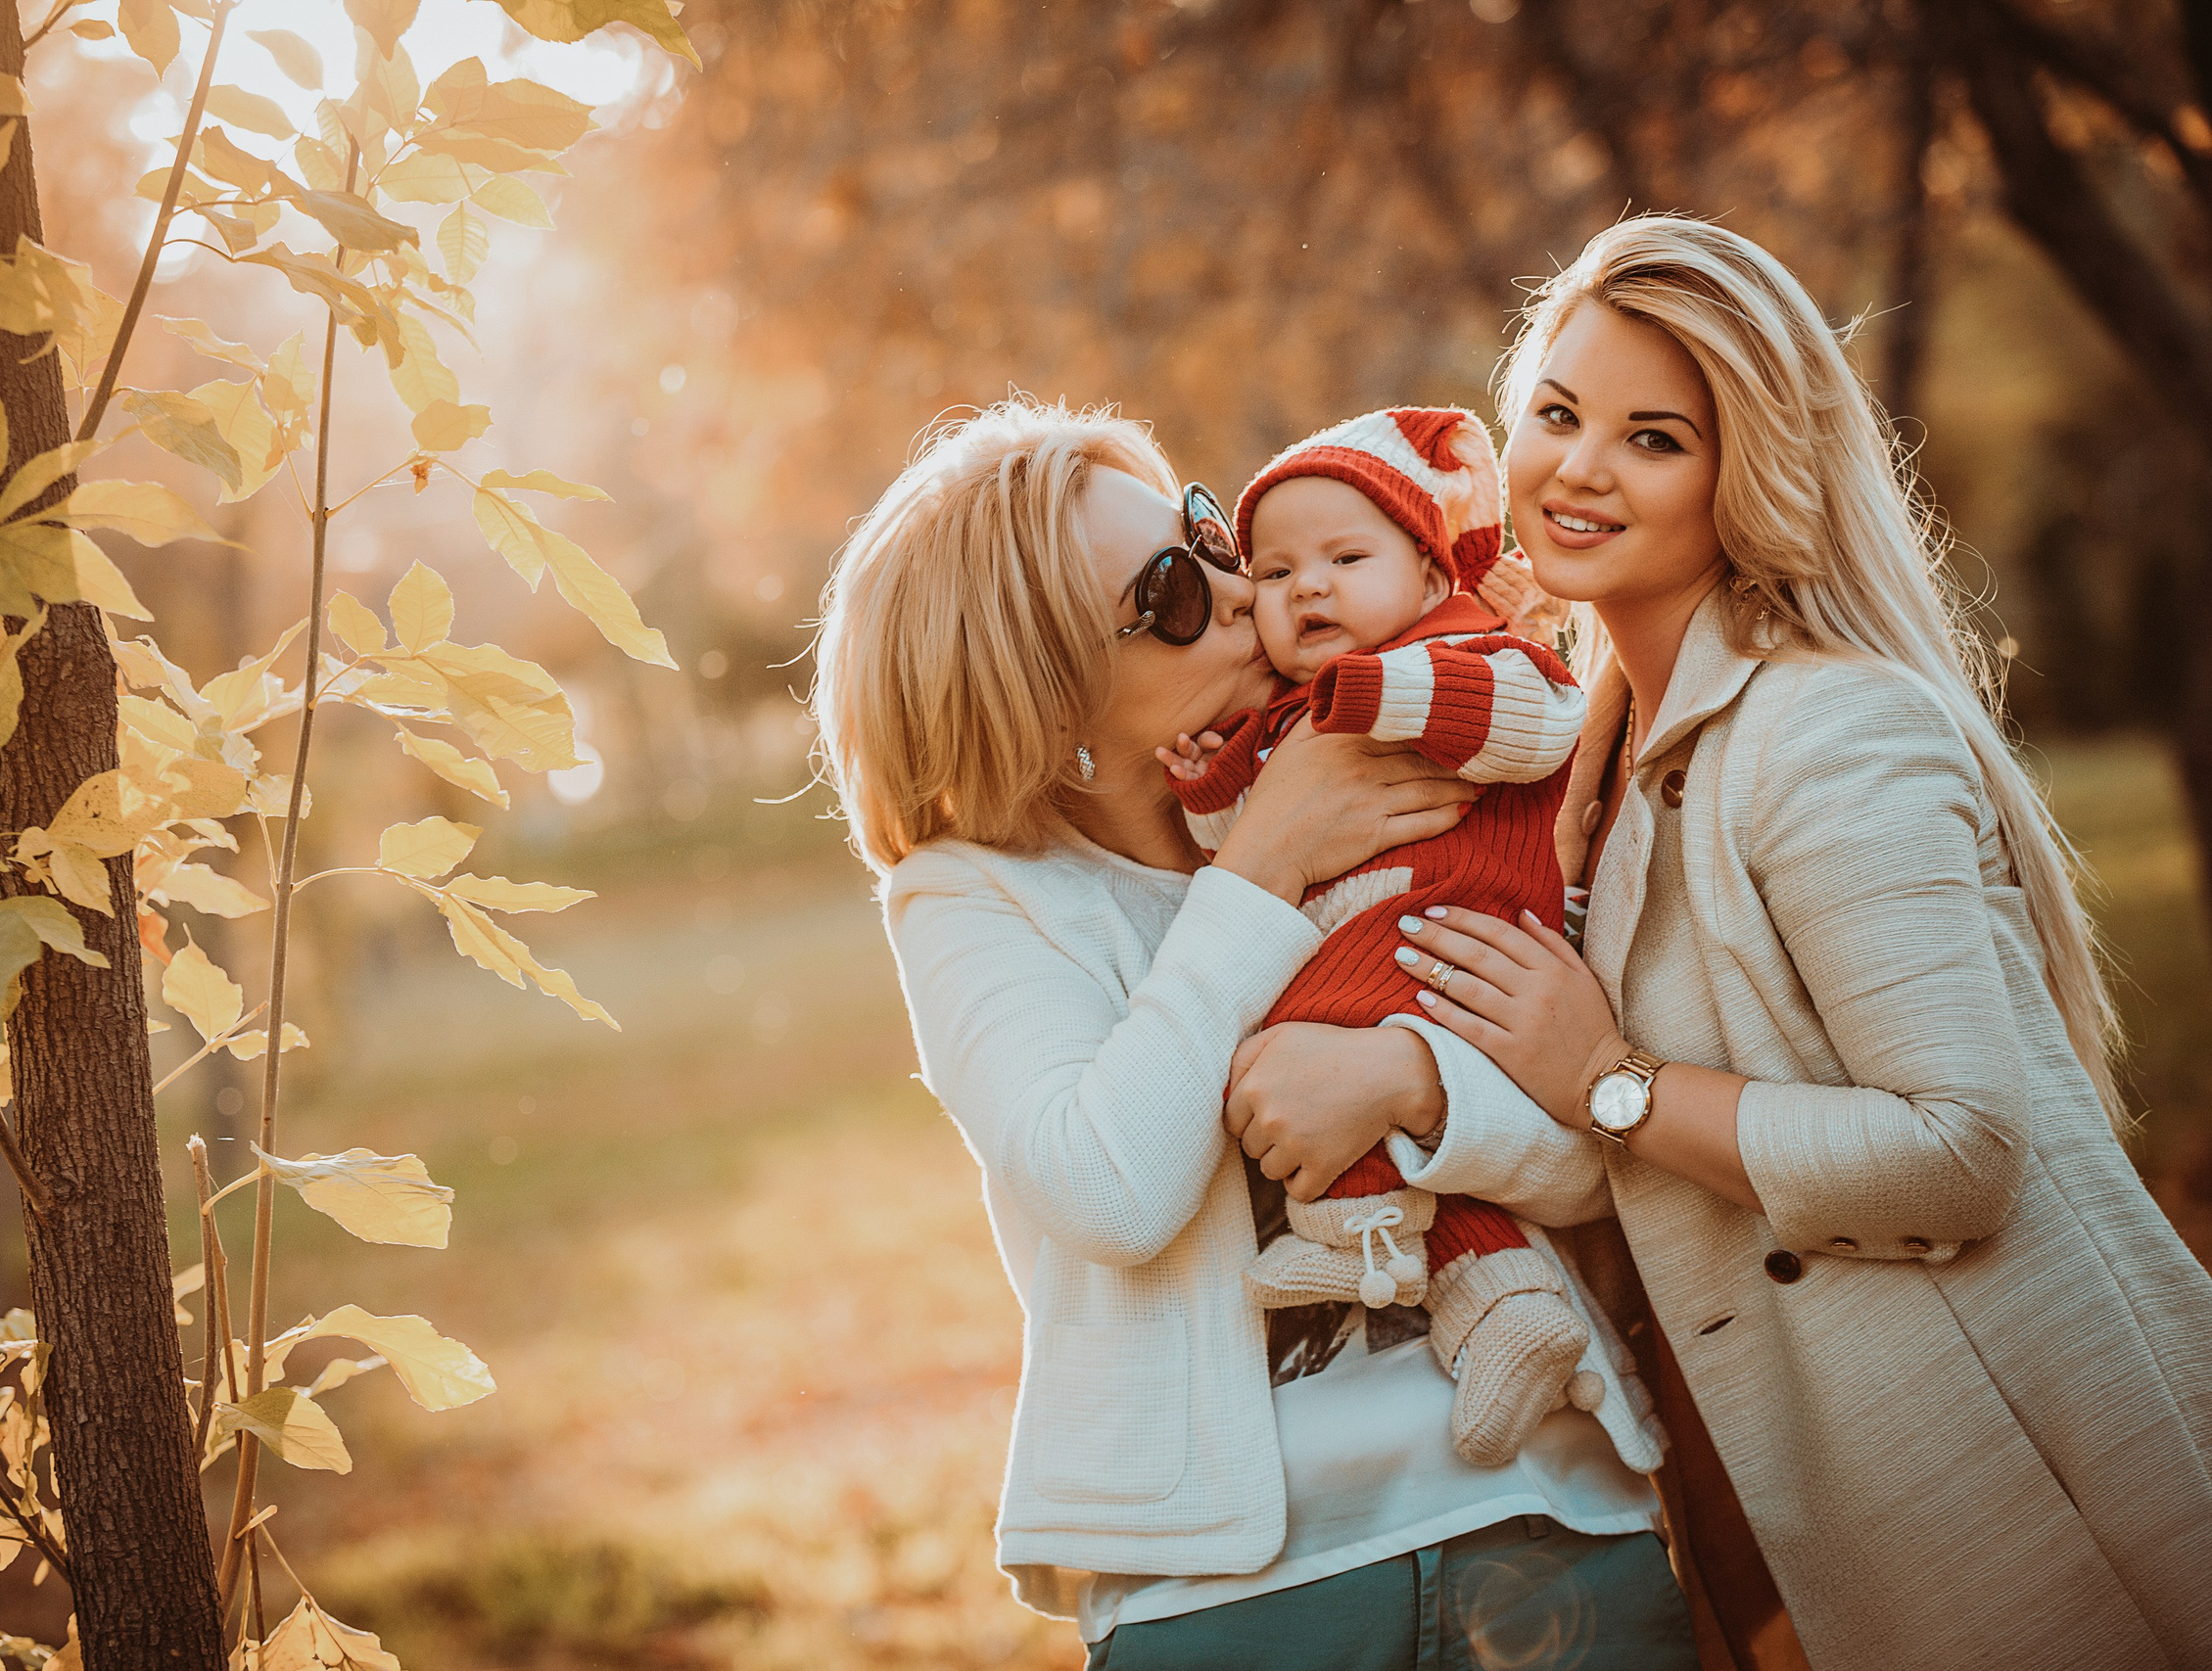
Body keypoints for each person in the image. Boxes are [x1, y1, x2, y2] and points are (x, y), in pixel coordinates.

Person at [1223, 217, 2212, 1671]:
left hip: (1996, 1478)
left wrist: (1610, 1081)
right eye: (1558, 414)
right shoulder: (1574, 757)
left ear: (1746, 472)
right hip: (1744, 1492)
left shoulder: (1830, 729)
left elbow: (1960, 1148)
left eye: (1654, 438)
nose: (1579, 467)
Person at [815, 396, 1696, 1668]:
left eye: (1207, 538)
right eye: (1171, 593)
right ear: (1044, 696)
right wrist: (1267, 858)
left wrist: (1411, 1079)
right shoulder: (977, 900)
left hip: (1546, 1526)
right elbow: (1109, 1187)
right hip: (1236, 1601)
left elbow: (1588, 1166)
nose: (1241, 591)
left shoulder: (1392, 769)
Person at [1160, 406, 1604, 1471]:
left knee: (1306, 1033)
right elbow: (1243, 843)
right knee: (1308, 1043)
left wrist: (1377, 694)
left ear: (1427, 569)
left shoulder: (1467, 649)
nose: (1307, 588)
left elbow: (1542, 719)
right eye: (1275, 573)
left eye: (1344, 559)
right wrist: (1210, 780)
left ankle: (1356, 1237)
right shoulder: (1292, 712)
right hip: (1384, 942)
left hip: (1459, 930)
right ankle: (1501, 1303)